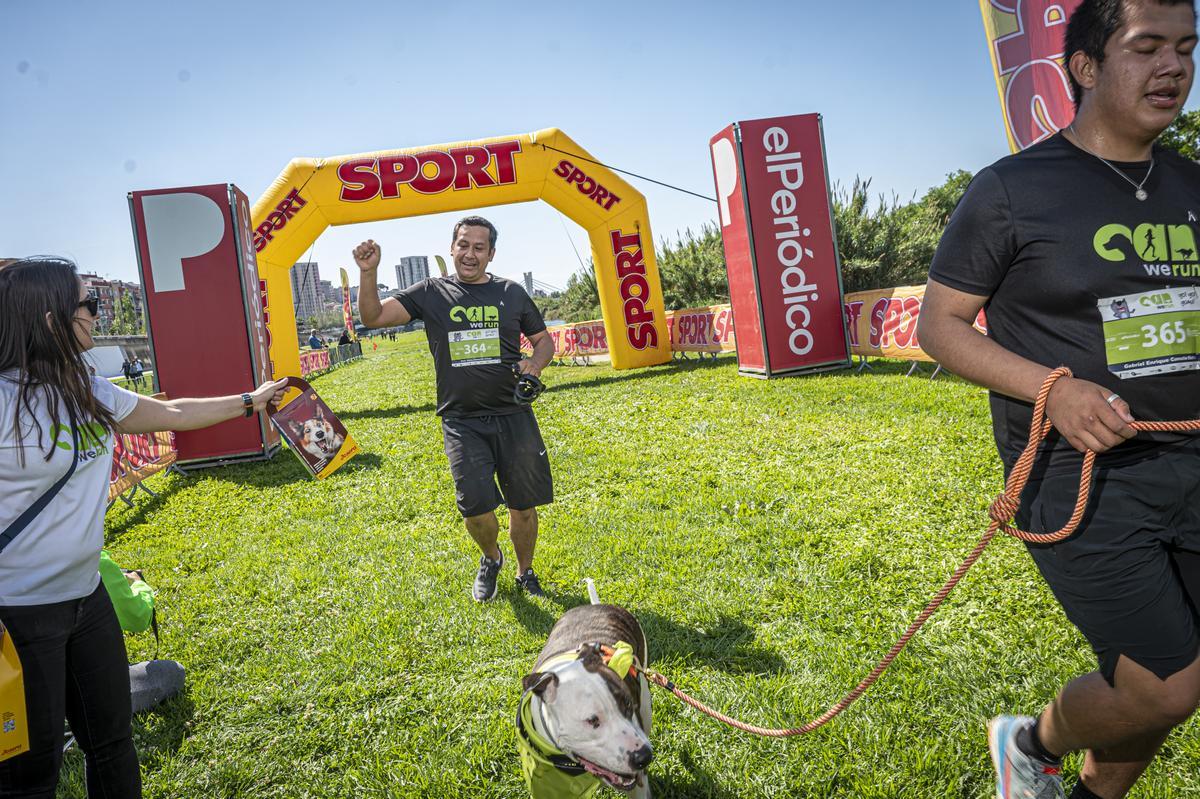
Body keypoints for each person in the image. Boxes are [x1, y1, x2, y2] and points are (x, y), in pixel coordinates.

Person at [919, 2, 1200, 797]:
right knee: (1167, 685)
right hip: (1074, 476)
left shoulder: (1192, 184)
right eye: (1146, 47)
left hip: (1191, 456)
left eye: (1185, 48)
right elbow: (938, 326)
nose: (1173, 67)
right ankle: (1032, 743)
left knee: (1163, 680)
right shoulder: (1011, 191)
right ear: (1084, 66)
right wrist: (1054, 388)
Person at [0, 257, 286, 798]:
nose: (96, 314)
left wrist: (251, 401)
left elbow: (173, 413)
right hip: (17, 618)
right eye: (90, 304)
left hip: (87, 601)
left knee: (111, 743)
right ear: (51, 319)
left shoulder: (83, 381)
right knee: (27, 777)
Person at [354, 217, 556, 601]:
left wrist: (534, 363)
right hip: (461, 420)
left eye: (480, 247)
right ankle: (491, 557)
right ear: (452, 248)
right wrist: (369, 273)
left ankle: (525, 571)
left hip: (514, 415)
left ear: (491, 254)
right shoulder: (432, 292)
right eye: (464, 244)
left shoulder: (511, 293)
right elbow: (373, 317)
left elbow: (543, 341)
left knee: (524, 508)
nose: (470, 253)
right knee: (476, 510)